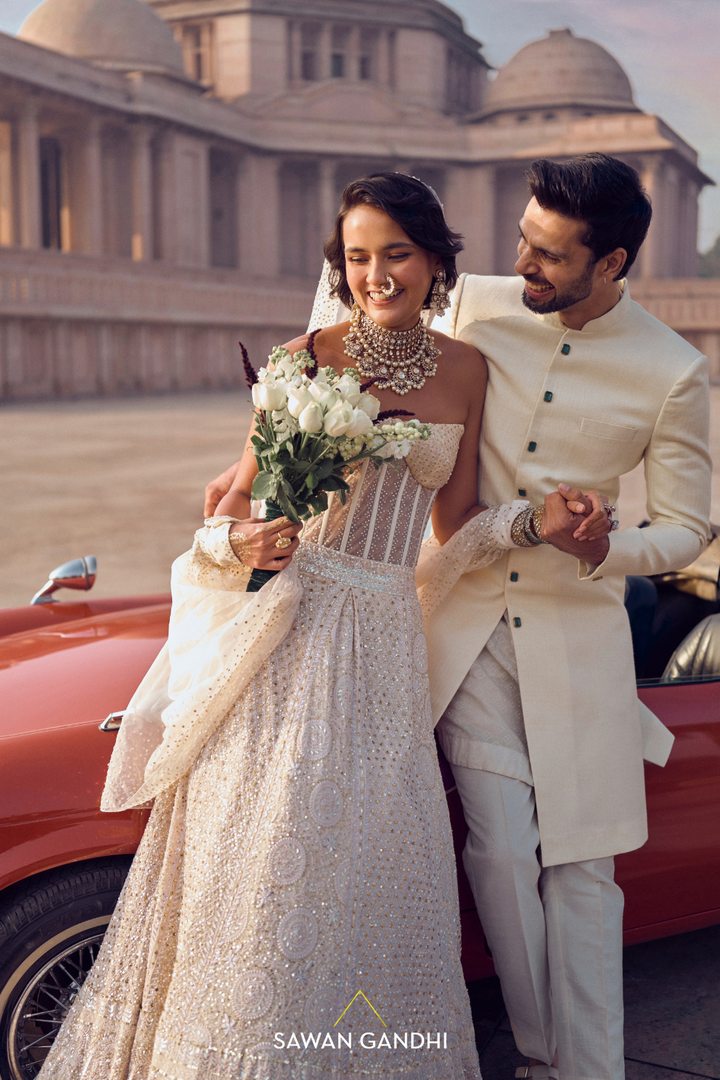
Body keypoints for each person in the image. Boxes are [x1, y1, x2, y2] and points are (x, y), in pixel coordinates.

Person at [39, 172, 608, 1080]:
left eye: (395, 254)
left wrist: (538, 523)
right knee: (270, 870)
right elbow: (226, 519)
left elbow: (451, 530)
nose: (375, 274)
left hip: (383, 641)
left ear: (432, 261)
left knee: (368, 874)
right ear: (338, 267)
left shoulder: (467, 372)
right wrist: (250, 540)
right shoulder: (299, 358)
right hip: (289, 639)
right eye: (356, 257)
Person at [427, 154, 712, 1080]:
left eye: (550, 255)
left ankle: (587, 1071)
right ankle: (544, 1054)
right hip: (465, 622)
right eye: (523, 241)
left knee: (584, 872)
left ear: (614, 260)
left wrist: (603, 549)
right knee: (503, 851)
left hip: (577, 639)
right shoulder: (471, 302)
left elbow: (686, 529)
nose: (525, 267)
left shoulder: (673, 372)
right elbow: (350, 333)